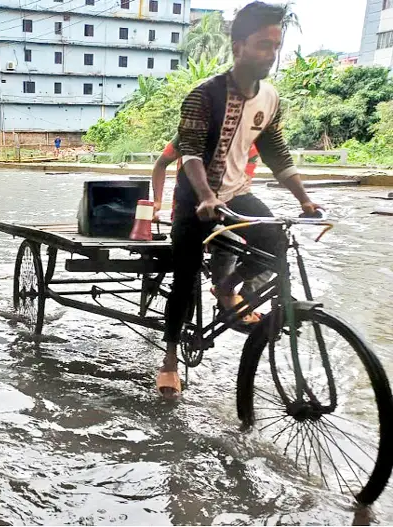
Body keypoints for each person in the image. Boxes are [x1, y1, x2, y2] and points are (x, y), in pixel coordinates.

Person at [157, 1, 321, 399]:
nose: (271, 54)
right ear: (238, 46)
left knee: (276, 242)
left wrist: (305, 200)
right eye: (263, 45)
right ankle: (169, 360)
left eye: (275, 45)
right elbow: (192, 152)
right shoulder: (204, 96)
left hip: (237, 194)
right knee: (184, 277)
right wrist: (205, 196)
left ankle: (226, 287)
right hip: (195, 200)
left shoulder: (270, 98)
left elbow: (276, 151)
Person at [151, 136, 268, 325]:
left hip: (226, 211)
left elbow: (241, 189)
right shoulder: (194, 132)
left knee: (270, 247)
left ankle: (242, 302)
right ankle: (225, 294)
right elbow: (160, 164)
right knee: (232, 241)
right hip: (190, 213)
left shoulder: (253, 147)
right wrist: (157, 202)